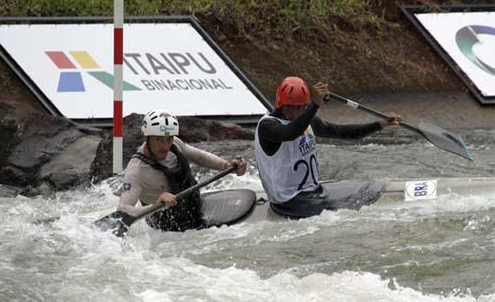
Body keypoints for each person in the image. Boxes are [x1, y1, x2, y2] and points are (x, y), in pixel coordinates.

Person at [254, 77, 402, 217]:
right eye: (291, 107)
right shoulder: (267, 126)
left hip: (312, 192)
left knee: (368, 187)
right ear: (280, 104)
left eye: (300, 108)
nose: (296, 112)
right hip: (289, 202)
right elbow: (289, 133)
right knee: (351, 207)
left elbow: (342, 132)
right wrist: (315, 105)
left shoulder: (306, 120)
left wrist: (379, 125)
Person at [117, 109, 247, 231]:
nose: (165, 146)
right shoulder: (136, 171)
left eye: (169, 139)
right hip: (165, 226)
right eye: (158, 139)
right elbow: (123, 210)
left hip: (193, 206)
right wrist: (156, 205)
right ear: (147, 137)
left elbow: (199, 157)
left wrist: (227, 165)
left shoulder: (175, 144)